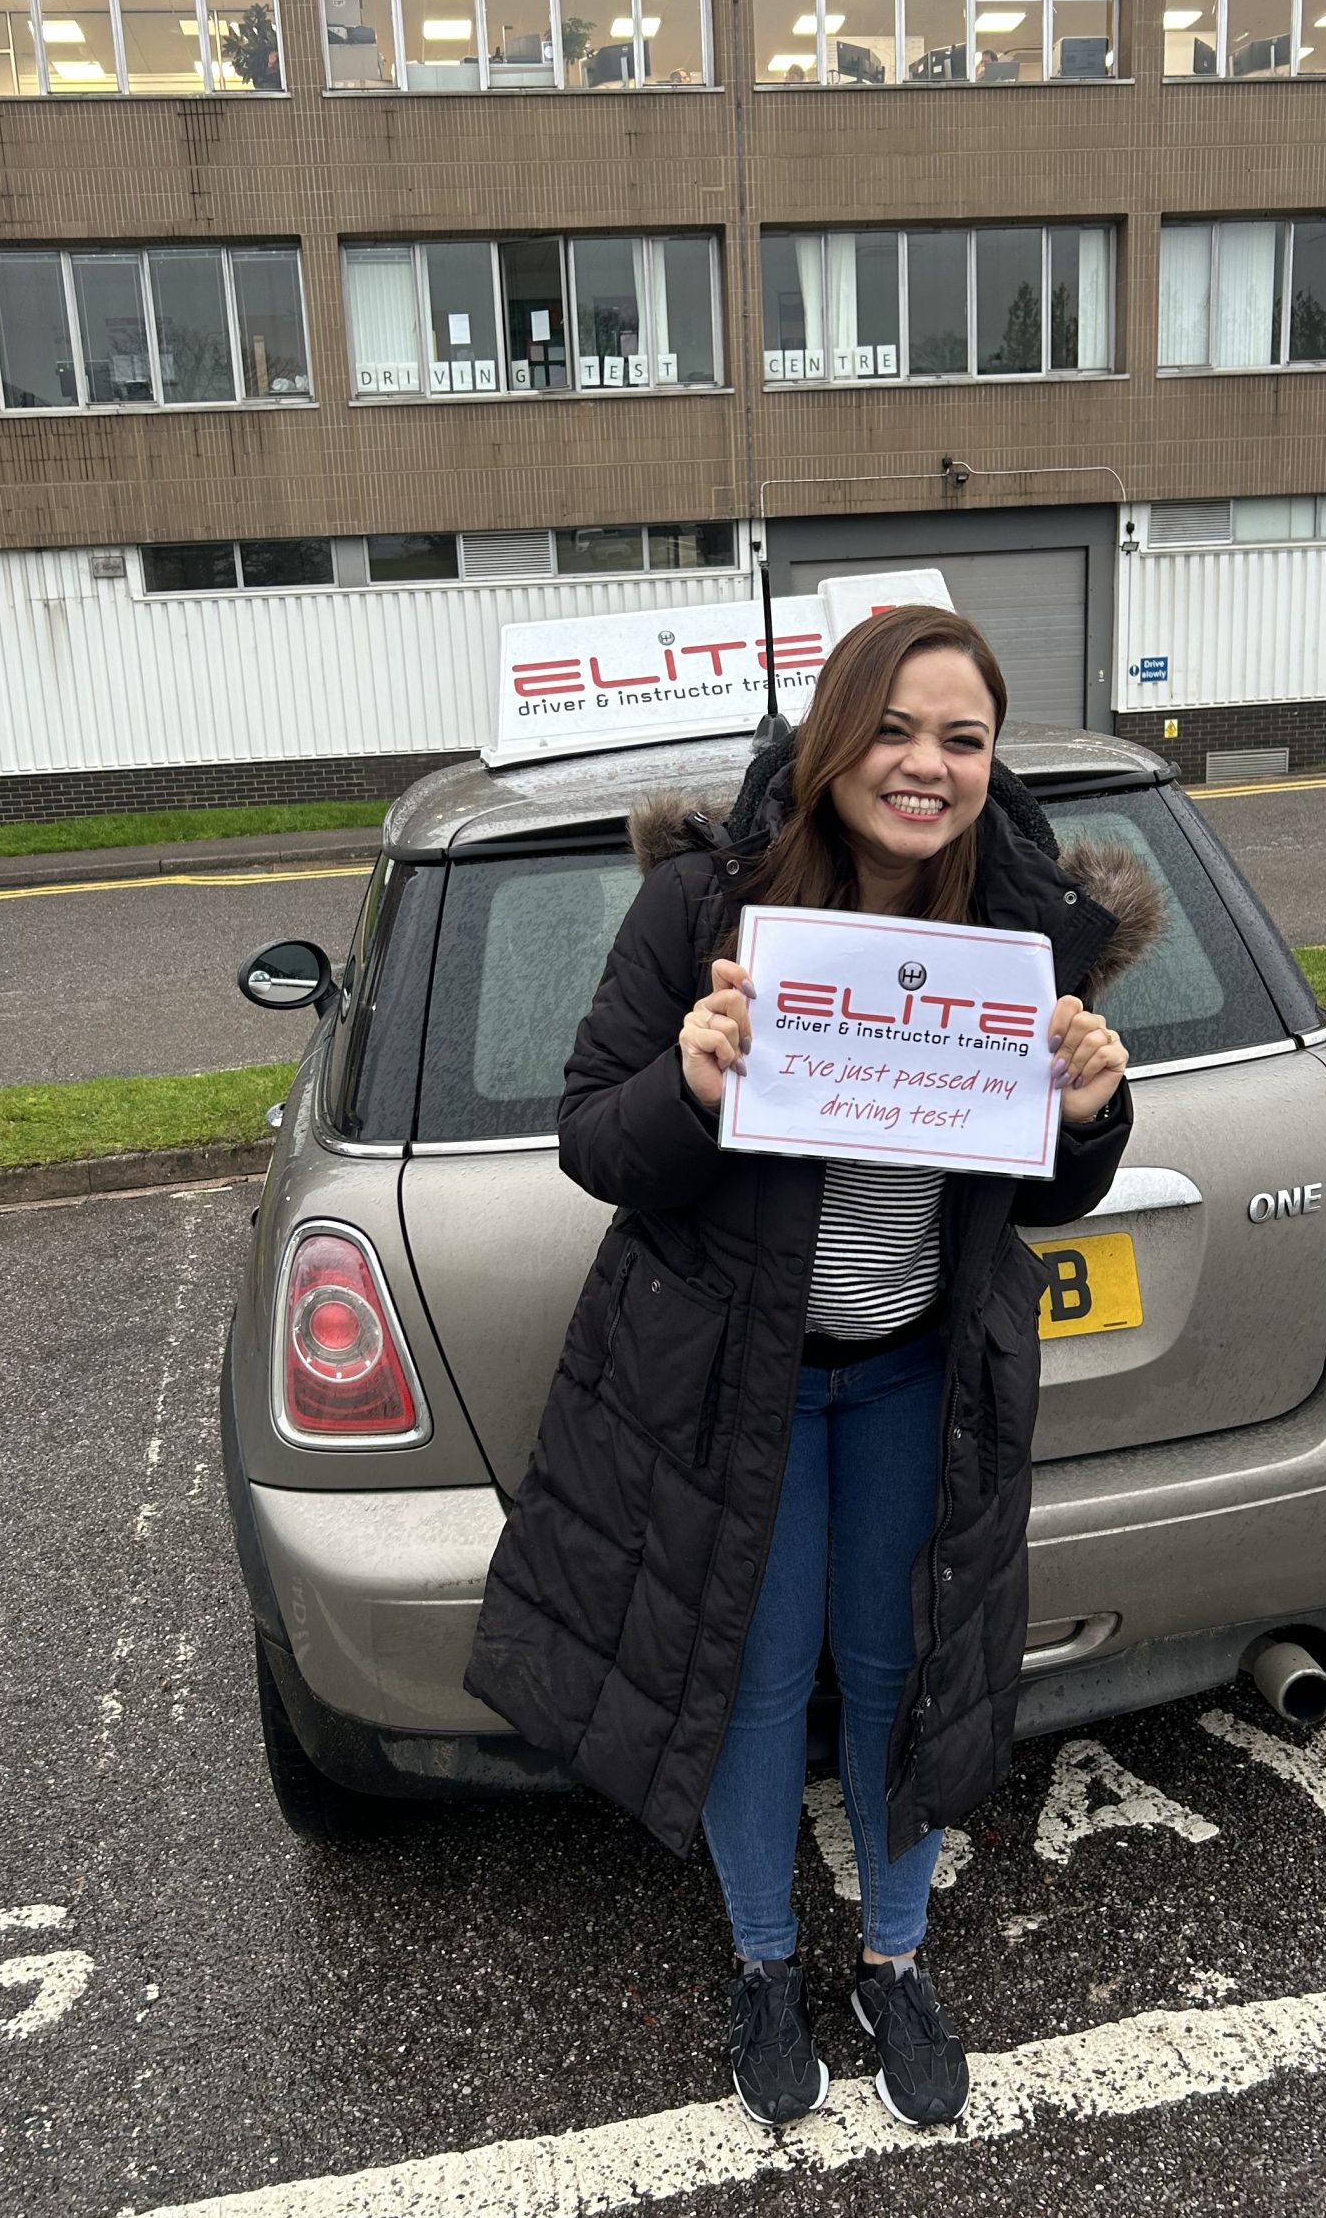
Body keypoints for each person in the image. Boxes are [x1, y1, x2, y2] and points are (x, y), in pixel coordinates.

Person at [465, 605, 1164, 2131]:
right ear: (837, 735)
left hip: (923, 1379)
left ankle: (896, 1962)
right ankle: (769, 1963)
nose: (926, 766)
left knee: (903, 1675)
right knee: (752, 1682)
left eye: (963, 739)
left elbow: (1041, 1192)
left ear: (993, 761)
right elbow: (593, 1139)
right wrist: (689, 1082)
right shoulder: (700, 910)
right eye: (897, 730)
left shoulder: (1026, 930)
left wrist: (1096, 1111)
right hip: (736, 1389)